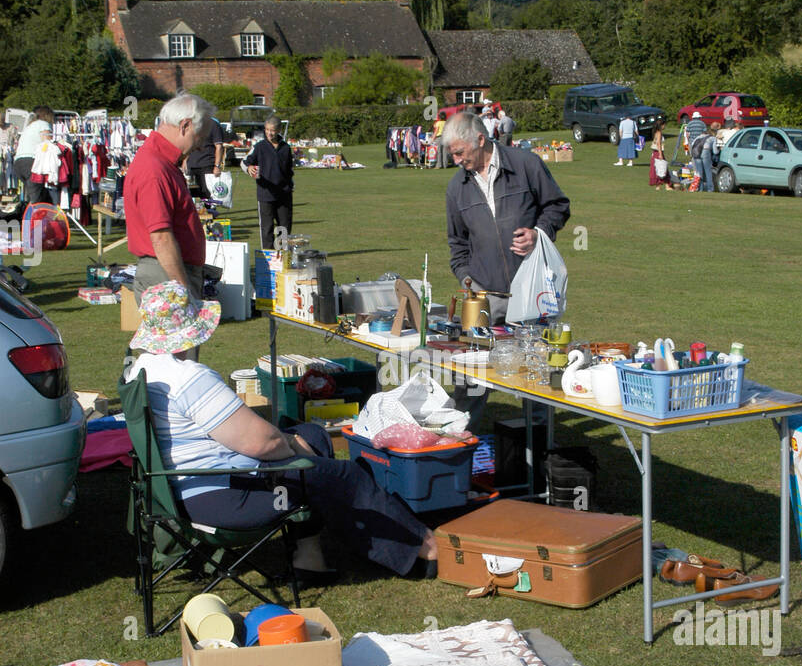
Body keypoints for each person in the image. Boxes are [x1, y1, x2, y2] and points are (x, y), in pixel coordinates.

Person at [125, 281, 438, 579]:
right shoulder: (188, 378)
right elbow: (262, 444)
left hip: (179, 488)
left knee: (314, 437)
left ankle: (310, 559)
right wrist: (293, 444)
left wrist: (296, 441)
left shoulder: (142, 369)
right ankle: (421, 547)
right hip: (223, 495)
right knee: (344, 475)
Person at [443, 111, 570, 325]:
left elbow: (557, 206)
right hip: (484, 298)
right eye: (452, 155)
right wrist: (467, 279)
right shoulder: (456, 188)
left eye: (459, 152)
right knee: (485, 358)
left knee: (537, 355)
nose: (455, 161)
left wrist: (539, 234)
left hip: (533, 291)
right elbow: (457, 242)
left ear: (480, 140)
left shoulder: (526, 165)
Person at [123, 92, 212, 306]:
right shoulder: (154, 168)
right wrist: (184, 291)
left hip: (168, 273)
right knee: (179, 339)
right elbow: (161, 238)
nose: (200, 147)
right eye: (199, 137)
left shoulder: (161, 163)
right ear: (185, 126)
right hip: (166, 275)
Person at [242, 114, 294, 249]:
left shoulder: (286, 148)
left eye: (272, 130)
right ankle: (268, 260)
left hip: (284, 195)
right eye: (267, 130)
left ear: (279, 130)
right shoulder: (259, 147)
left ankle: (282, 258)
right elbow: (243, 162)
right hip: (265, 195)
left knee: (285, 229)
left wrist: (290, 186)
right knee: (267, 229)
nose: (269, 133)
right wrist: (249, 169)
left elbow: (289, 171)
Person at [14, 108, 54, 203]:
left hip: (19, 162)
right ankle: (34, 217)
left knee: (36, 194)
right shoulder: (43, 124)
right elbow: (47, 143)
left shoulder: (30, 126)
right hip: (31, 162)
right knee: (36, 199)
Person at [185, 117, 224, 200]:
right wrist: (185, 160)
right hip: (192, 165)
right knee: (192, 196)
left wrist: (217, 166)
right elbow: (189, 144)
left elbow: (219, 146)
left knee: (207, 195)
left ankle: (210, 211)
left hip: (207, 165)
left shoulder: (213, 124)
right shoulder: (191, 124)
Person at [648, 125, 669, 189]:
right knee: (663, 168)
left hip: (655, 152)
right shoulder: (659, 133)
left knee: (656, 168)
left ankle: (658, 185)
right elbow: (658, 143)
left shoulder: (656, 132)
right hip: (658, 152)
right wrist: (660, 154)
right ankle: (666, 185)